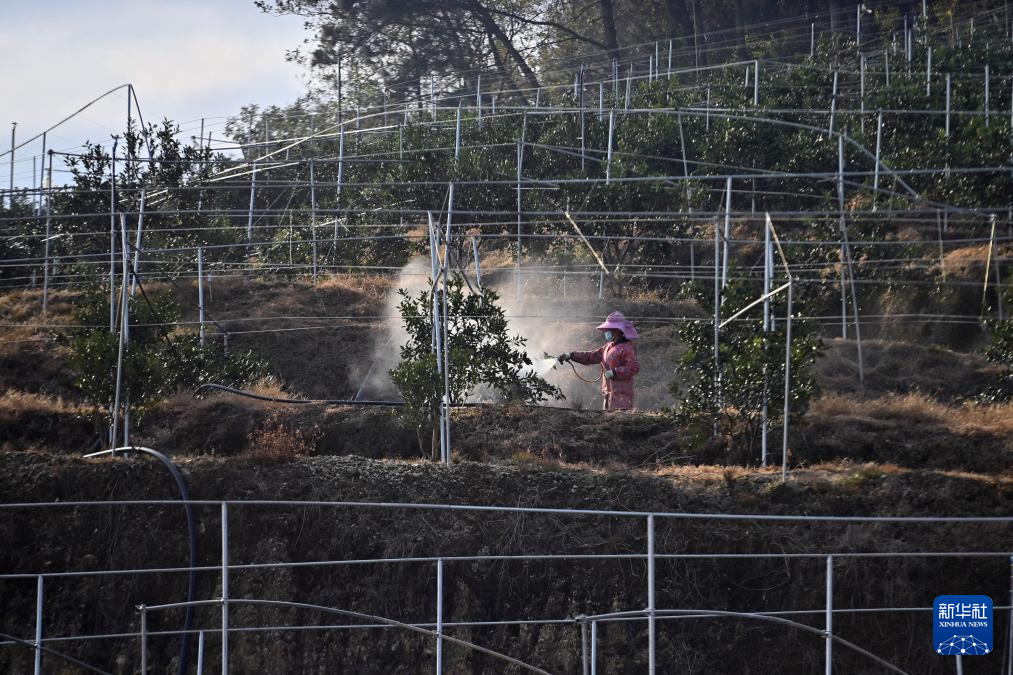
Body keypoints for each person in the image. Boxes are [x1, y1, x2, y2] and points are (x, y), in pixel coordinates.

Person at [558, 311, 641, 410]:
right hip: (608, 394)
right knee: (607, 420)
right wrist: (571, 355)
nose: (607, 332)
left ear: (617, 331)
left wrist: (614, 372)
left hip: (622, 395)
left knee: (618, 421)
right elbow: (591, 356)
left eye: (609, 330)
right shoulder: (608, 347)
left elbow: (633, 368)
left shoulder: (626, 348)